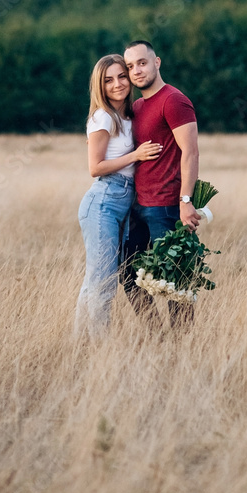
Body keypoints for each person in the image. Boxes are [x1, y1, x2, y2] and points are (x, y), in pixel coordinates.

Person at [75, 53, 162, 338]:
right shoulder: (102, 117)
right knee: (102, 282)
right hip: (104, 201)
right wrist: (135, 155)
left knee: (97, 279)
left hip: (124, 202)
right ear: (100, 86)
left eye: (121, 76)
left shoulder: (128, 116)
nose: (117, 84)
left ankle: (82, 344)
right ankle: (97, 347)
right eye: (108, 80)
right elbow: (94, 167)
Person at [121, 40, 200, 329]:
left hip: (166, 205)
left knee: (175, 279)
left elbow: (190, 152)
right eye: (130, 66)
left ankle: (181, 344)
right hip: (138, 205)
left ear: (157, 62)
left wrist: (186, 201)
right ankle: (156, 334)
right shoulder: (138, 106)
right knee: (128, 273)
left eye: (142, 62)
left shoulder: (173, 100)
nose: (136, 71)